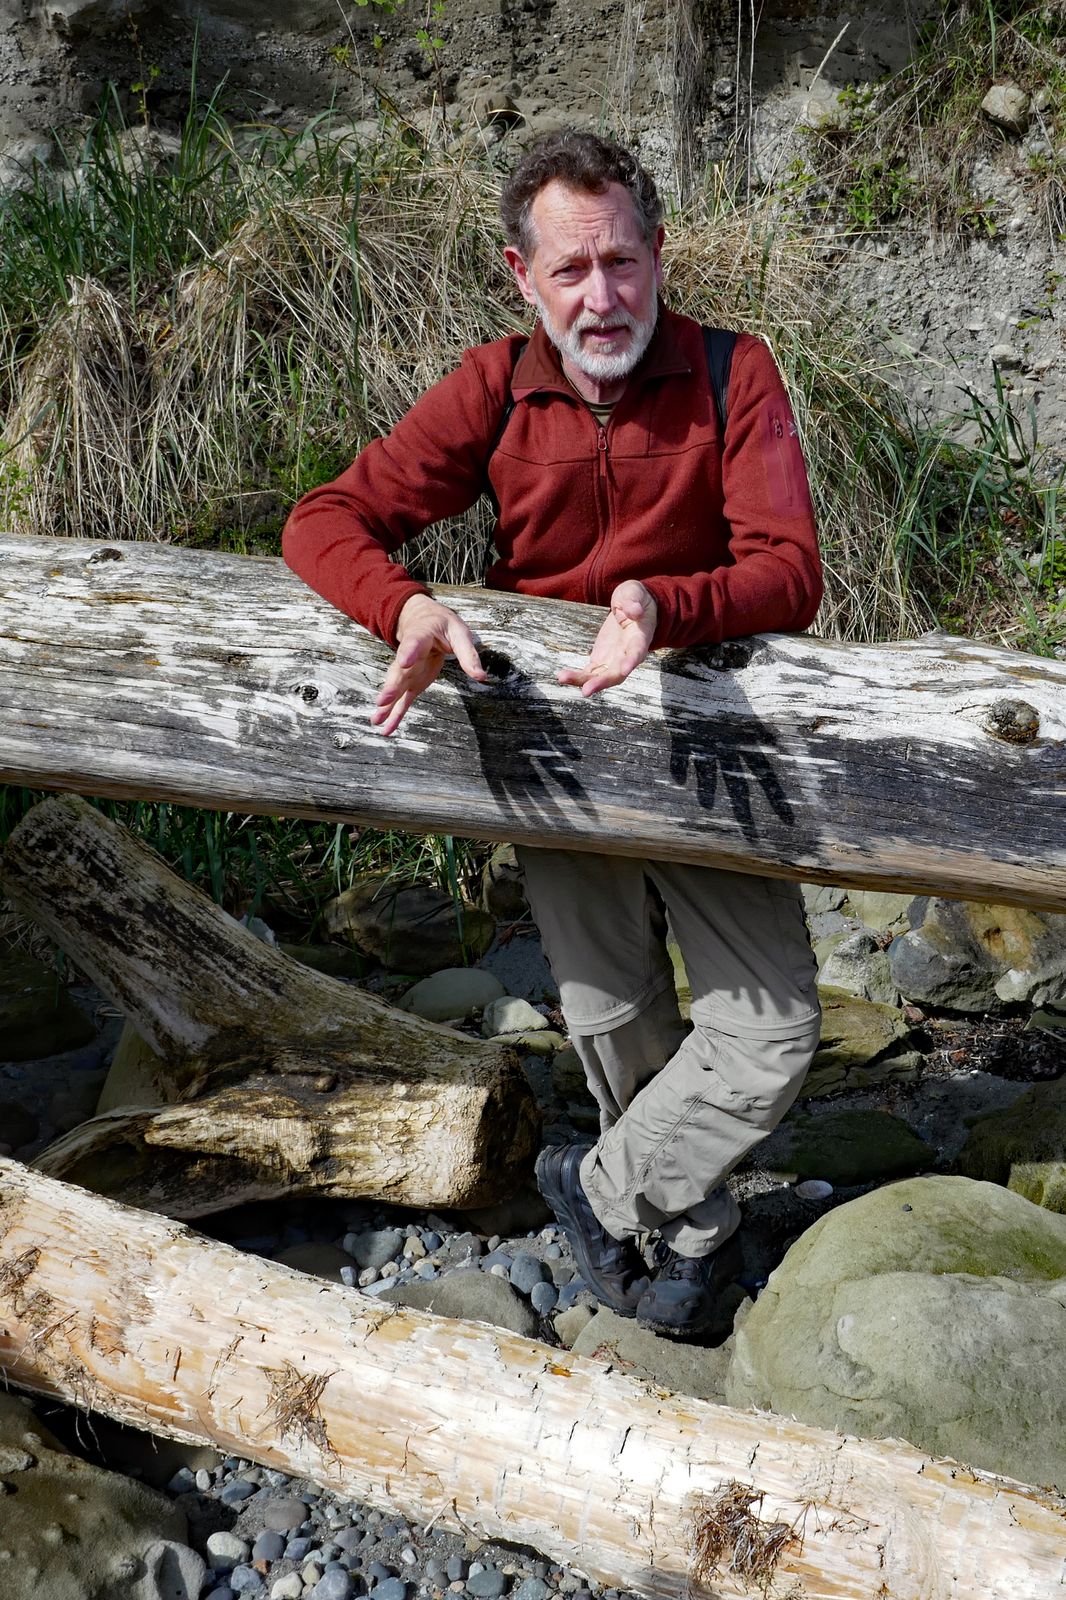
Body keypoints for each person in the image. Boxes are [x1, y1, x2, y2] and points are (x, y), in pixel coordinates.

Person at [282, 129, 823, 1339]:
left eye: (623, 262)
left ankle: (599, 1186)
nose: (603, 295)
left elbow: (791, 570)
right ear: (519, 275)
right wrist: (408, 604)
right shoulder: (490, 388)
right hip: (555, 749)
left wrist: (656, 606)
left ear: (659, 254)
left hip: (701, 735)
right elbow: (325, 520)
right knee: (610, 1011)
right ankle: (691, 1230)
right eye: (570, 270)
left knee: (773, 1025)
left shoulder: (736, 373)